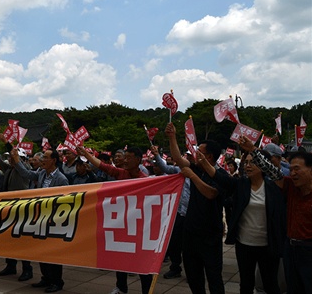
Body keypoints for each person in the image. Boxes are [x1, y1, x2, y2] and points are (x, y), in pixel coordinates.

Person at [238, 137, 312, 294]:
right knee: (293, 287)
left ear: (311, 170)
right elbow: (270, 170)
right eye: (291, 169)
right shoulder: (290, 186)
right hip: (291, 249)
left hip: (309, 251)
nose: (293, 173)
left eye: (297, 169)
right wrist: (252, 150)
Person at [78, 146, 154, 294]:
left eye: (128, 157)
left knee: (141, 262)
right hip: (121, 223)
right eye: (124, 157)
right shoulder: (121, 173)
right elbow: (102, 166)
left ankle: (146, 290)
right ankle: (121, 288)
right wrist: (86, 154)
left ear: (138, 160)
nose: (125, 160)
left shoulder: (145, 180)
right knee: (120, 258)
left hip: (138, 227)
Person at [165, 122, 227, 294]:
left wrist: (192, 176)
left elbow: (210, 193)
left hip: (210, 234)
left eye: (200, 152)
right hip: (190, 231)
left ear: (210, 157)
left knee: (214, 277)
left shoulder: (221, 175)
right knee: (193, 275)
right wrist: (172, 137)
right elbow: (178, 159)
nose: (195, 155)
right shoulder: (196, 169)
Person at [215, 149, 285, 294]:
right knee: (246, 284)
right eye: (246, 162)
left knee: (270, 284)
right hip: (244, 244)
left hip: (268, 245)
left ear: (263, 164)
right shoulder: (241, 185)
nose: (248, 166)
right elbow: (219, 177)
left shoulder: (274, 187)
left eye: (252, 162)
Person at [11, 148, 67, 293]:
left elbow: (65, 202)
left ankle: (57, 281)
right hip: (40, 218)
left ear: (54, 160)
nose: (42, 160)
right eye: (42, 157)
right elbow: (26, 173)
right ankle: (46, 278)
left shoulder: (61, 179)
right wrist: (16, 159)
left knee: (53, 252)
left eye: (46, 158)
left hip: (53, 220)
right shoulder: (42, 173)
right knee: (41, 250)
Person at [0, 137, 34, 281]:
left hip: (21, 209)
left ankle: (27, 269)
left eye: (12, 157)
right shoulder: (10, 169)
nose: (9, 159)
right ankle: (10, 265)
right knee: (9, 238)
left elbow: (15, 160)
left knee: (22, 240)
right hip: (9, 208)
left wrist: (6, 142)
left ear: (20, 158)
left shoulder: (25, 169)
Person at [150, 145, 189, 280]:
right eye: (187, 156)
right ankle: (175, 267)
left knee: (190, 245)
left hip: (193, 215)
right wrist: (156, 155)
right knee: (174, 243)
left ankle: (193, 270)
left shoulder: (203, 173)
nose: (187, 159)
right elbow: (166, 168)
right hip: (178, 213)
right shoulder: (179, 170)